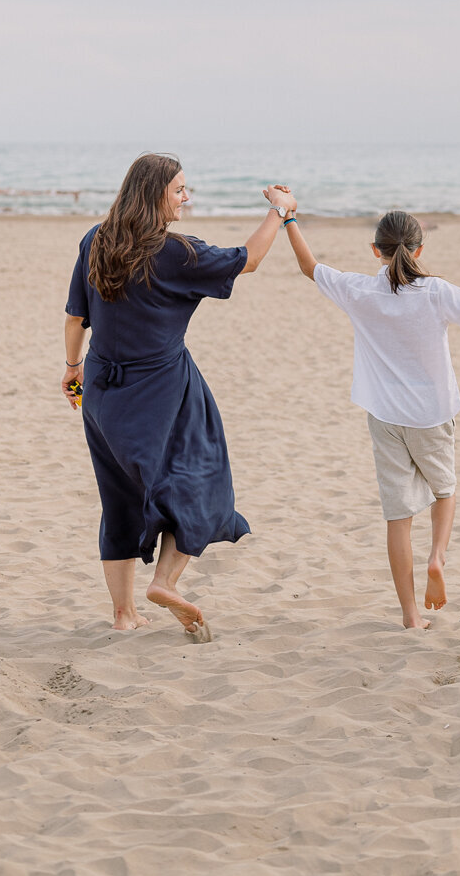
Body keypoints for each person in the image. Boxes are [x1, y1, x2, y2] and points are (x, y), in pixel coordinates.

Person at [271, 196, 460, 630]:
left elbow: (310, 266)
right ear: (419, 250)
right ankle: (437, 557)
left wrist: (288, 216)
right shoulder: (434, 291)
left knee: (399, 517)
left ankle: (410, 616)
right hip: (433, 414)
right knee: (445, 492)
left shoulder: (359, 290)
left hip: (384, 416)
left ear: (374, 250)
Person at [63, 153, 290, 639]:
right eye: (180, 190)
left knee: (119, 497)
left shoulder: (95, 239)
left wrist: (71, 368)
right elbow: (247, 259)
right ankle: (163, 581)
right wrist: (279, 210)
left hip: (101, 390)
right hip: (163, 391)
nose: (187, 198)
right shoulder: (176, 253)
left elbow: (75, 315)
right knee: (201, 483)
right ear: (155, 194)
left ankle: (124, 616)